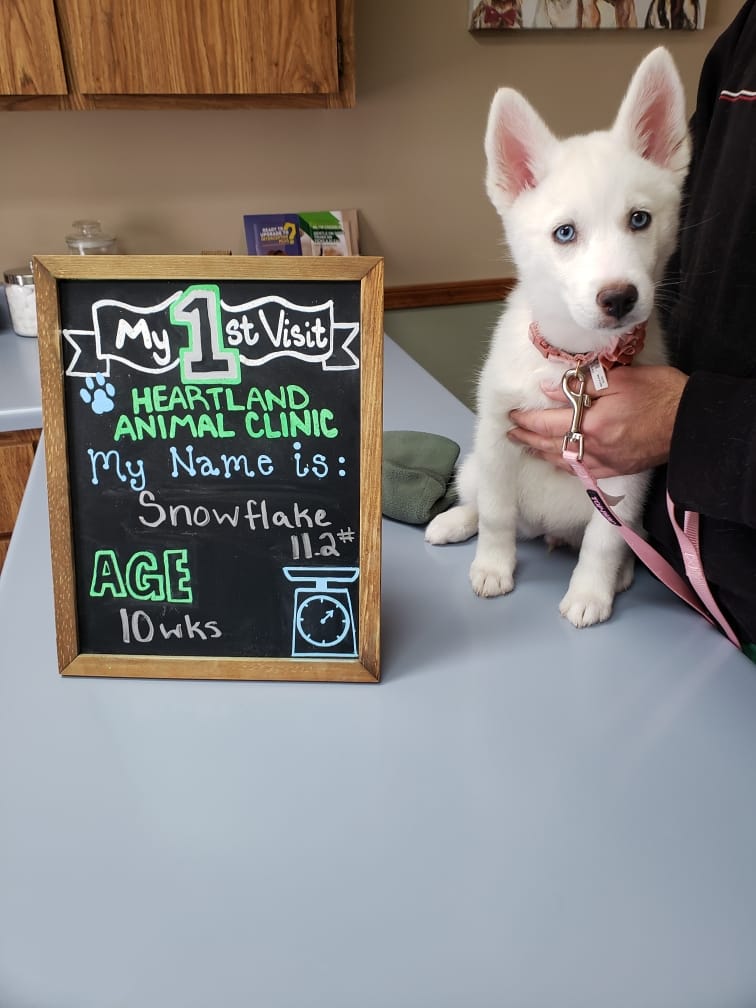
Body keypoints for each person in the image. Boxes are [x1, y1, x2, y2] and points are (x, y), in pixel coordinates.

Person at [506, 0, 756, 660]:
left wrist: (691, 420)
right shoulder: (741, 41)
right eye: (568, 233)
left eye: (636, 222)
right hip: (676, 575)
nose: (614, 273)